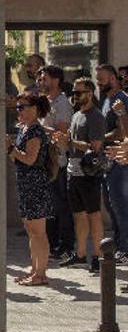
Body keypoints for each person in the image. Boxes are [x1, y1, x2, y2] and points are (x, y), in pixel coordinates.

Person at [57, 77, 106, 273]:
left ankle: (99, 257)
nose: (75, 96)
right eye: (74, 93)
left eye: (79, 93)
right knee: (79, 216)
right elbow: (72, 142)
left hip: (88, 173)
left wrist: (69, 142)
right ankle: (80, 254)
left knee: (94, 215)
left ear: (90, 93)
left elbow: (95, 147)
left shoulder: (96, 116)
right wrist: (63, 141)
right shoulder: (77, 115)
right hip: (73, 170)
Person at [10, 92, 53, 286]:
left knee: (38, 232)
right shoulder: (24, 128)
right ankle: (34, 269)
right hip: (25, 183)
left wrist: (11, 149)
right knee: (30, 229)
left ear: (34, 109)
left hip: (35, 183)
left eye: (23, 106)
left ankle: (41, 274)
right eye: (18, 107)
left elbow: (30, 158)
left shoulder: (35, 130)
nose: (19, 110)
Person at [37, 65, 74, 261]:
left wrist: (38, 128)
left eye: (45, 79)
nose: (41, 83)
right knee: (48, 206)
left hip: (57, 161)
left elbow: (62, 133)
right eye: (40, 79)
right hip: (43, 160)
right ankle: (50, 244)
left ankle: (66, 246)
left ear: (56, 80)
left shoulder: (62, 104)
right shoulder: (44, 102)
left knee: (61, 205)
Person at [97, 64, 128, 260]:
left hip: (120, 160)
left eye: (102, 78)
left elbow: (122, 132)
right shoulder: (107, 101)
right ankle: (119, 244)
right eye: (97, 78)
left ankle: (125, 248)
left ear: (114, 79)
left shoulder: (121, 100)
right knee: (111, 205)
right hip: (108, 160)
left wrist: (99, 137)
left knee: (121, 205)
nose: (98, 82)